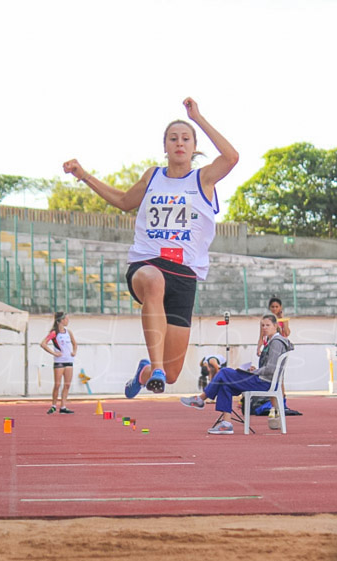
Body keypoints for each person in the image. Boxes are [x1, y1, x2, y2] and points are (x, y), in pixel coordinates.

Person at [63, 97, 238, 398]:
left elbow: (232, 157)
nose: (179, 143)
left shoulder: (204, 179)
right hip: (147, 264)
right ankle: (155, 366)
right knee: (154, 281)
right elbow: (123, 201)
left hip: (184, 275)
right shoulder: (153, 177)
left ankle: (148, 370)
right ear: (165, 146)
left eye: (186, 139)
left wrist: (197, 117)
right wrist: (84, 176)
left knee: (171, 375)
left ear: (194, 146)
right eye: (173, 139)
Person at [179, 314, 293, 435]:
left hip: (263, 382)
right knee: (225, 385)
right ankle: (226, 424)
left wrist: (253, 372)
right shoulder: (272, 341)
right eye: (262, 325)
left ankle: (201, 399)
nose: (264, 328)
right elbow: (269, 367)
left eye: (268, 325)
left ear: (275, 326)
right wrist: (254, 370)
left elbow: (270, 369)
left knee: (223, 372)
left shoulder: (276, 342)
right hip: (262, 380)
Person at [39, 312, 78, 415]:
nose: (68, 321)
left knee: (67, 385)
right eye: (66, 319)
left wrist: (74, 352)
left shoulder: (68, 332)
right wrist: (54, 353)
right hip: (59, 362)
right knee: (57, 384)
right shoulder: (54, 333)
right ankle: (53, 405)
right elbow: (43, 344)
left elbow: (74, 343)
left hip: (69, 361)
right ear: (61, 320)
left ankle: (63, 406)